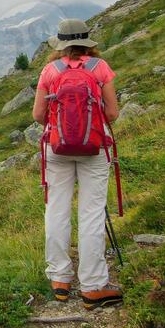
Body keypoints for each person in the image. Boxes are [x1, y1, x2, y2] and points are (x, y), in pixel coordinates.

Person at [31, 19, 124, 309]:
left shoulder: (50, 70)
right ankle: (94, 286)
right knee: (91, 212)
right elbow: (113, 113)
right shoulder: (100, 68)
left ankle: (60, 279)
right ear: (87, 42)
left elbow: (37, 115)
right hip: (94, 148)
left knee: (56, 209)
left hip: (55, 148)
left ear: (60, 44)